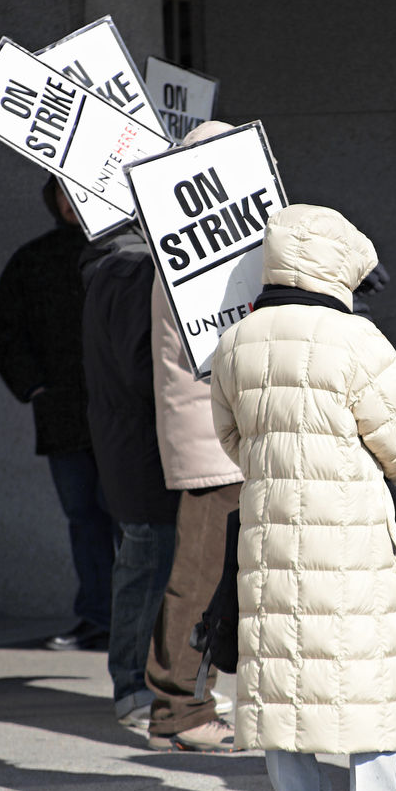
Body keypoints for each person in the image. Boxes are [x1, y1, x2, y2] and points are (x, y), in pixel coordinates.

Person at [209, 204, 396, 791]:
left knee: (282, 660)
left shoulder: (236, 340)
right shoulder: (356, 340)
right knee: (356, 659)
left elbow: (230, 436)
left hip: (269, 525)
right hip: (349, 528)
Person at [144, 120, 243, 754]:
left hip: (215, 437)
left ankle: (191, 693)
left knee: (212, 575)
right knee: (199, 577)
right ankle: (178, 710)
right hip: (212, 442)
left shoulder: (195, 252)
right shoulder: (198, 261)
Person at [0, 176, 114, 652]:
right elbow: (4, 329)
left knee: (129, 518)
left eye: (78, 190)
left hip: (120, 411)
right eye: (62, 191)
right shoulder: (33, 260)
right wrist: (35, 387)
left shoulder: (127, 254)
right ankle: (99, 617)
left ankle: (140, 622)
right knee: (84, 516)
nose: (71, 201)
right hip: (62, 412)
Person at [79, 220, 179, 728]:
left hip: (136, 441)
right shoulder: (133, 270)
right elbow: (143, 370)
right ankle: (135, 688)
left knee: (150, 559)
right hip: (143, 445)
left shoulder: (120, 267)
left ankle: (148, 685)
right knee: (147, 561)